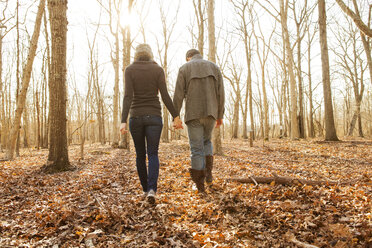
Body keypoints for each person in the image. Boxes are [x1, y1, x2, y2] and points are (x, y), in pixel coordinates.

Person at [120, 44, 182, 204]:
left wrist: (122, 121)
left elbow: (127, 96)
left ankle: (145, 189)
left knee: (140, 155)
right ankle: (152, 190)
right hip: (154, 116)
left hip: (136, 117)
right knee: (153, 153)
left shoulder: (129, 70)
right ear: (150, 54)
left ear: (136, 54)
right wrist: (175, 116)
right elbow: (165, 95)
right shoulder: (158, 69)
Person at [173, 49, 224, 193]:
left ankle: (200, 185)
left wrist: (175, 116)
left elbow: (178, 94)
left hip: (194, 114)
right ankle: (208, 177)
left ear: (188, 57)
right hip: (211, 113)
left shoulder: (185, 68)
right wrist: (220, 115)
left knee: (196, 149)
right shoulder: (214, 67)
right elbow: (221, 93)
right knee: (207, 142)